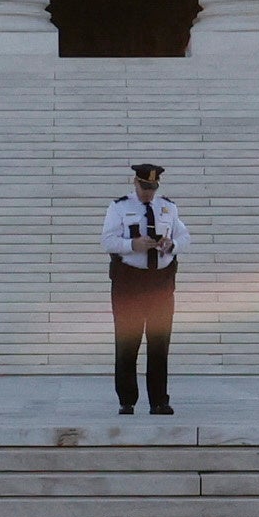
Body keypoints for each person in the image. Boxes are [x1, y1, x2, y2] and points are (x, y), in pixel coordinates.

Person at [104, 161, 187, 417]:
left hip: (160, 281)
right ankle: (127, 400)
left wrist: (170, 245)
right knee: (128, 342)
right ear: (135, 183)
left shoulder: (168, 207)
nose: (147, 192)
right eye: (144, 187)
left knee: (159, 343)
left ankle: (159, 401)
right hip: (130, 280)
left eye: (152, 187)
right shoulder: (119, 207)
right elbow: (106, 240)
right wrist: (133, 245)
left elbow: (185, 238)